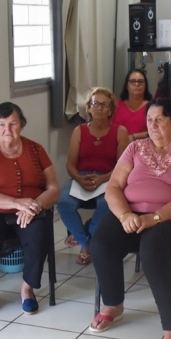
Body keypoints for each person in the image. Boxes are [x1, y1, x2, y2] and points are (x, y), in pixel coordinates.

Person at [89, 98, 171, 339]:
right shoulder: (135, 147)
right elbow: (113, 187)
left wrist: (154, 218)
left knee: (152, 250)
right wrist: (124, 215)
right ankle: (113, 304)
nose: (152, 126)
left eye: (159, 120)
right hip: (131, 213)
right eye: (149, 120)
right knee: (100, 242)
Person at [0, 102, 60, 316]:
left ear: (22, 125)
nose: (7, 130)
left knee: (39, 233)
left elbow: (54, 188)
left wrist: (35, 205)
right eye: (1, 124)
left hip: (30, 208)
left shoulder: (36, 150)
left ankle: (27, 288)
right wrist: (16, 203)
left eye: (13, 124)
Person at [58, 87, 129, 264]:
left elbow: (123, 166)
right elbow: (70, 164)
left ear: (111, 109)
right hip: (81, 176)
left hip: (109, 177)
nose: (99, 108)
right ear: (89, 107)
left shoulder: (120, 132)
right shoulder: (79, 131)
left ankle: (87, 232)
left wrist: (103, 179)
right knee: (62, 201)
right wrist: (79, 178)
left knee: (108, 203)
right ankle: (85, 243)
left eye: (104, 105)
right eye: (95, 104)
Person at [112, 69, 151, 142]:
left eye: (140, 81)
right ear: (127, 85)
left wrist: (133, 137)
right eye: (133, 81)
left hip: (144, 148)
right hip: (118, 148)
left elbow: (157, 131)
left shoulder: (153, 107)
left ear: (145, 85)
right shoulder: (116, 106)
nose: (137, 84)